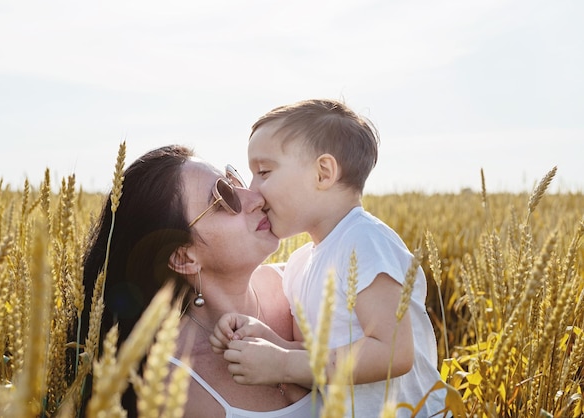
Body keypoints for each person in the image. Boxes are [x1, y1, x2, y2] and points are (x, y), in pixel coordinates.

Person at [210, 99, 447, 417]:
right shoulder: (298, 265)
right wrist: (269, 341)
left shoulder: (365, 242)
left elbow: (393, 352)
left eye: (264, 172)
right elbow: (322, 357)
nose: (253, 191)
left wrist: (282, 364)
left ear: (323, 173)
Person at [80, 145, 322, 417]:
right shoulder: (176, 386)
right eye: (224, 197)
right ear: (184, 258)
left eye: (234, 181)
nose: (255, 197)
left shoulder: (310, 281)